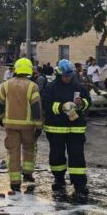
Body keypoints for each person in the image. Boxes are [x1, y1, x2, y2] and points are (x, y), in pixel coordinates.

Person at [42, 59, 91, 203]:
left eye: (70, 75)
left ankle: (79, 185)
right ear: (59, 74)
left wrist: (81, 104)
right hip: (56, 129)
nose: (68, 78)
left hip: (75, 129)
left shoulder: (79, 87)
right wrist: (61, 107)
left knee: (77, 157)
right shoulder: (51, 87)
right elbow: (46, 104)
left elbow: (88, 102)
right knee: (57, 157)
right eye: (65, 76)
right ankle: (59, 180)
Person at [0, 58, 42, 192]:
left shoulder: (6, 85)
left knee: (13, 152)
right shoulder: (32, 86)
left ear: (16, 69)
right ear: (29, 70)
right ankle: (27, 174)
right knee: (29, 149)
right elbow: (36, 107)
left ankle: (15, 182)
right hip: (28, 126)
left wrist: (0, 117)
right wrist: (38, 125)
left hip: (10, 125)